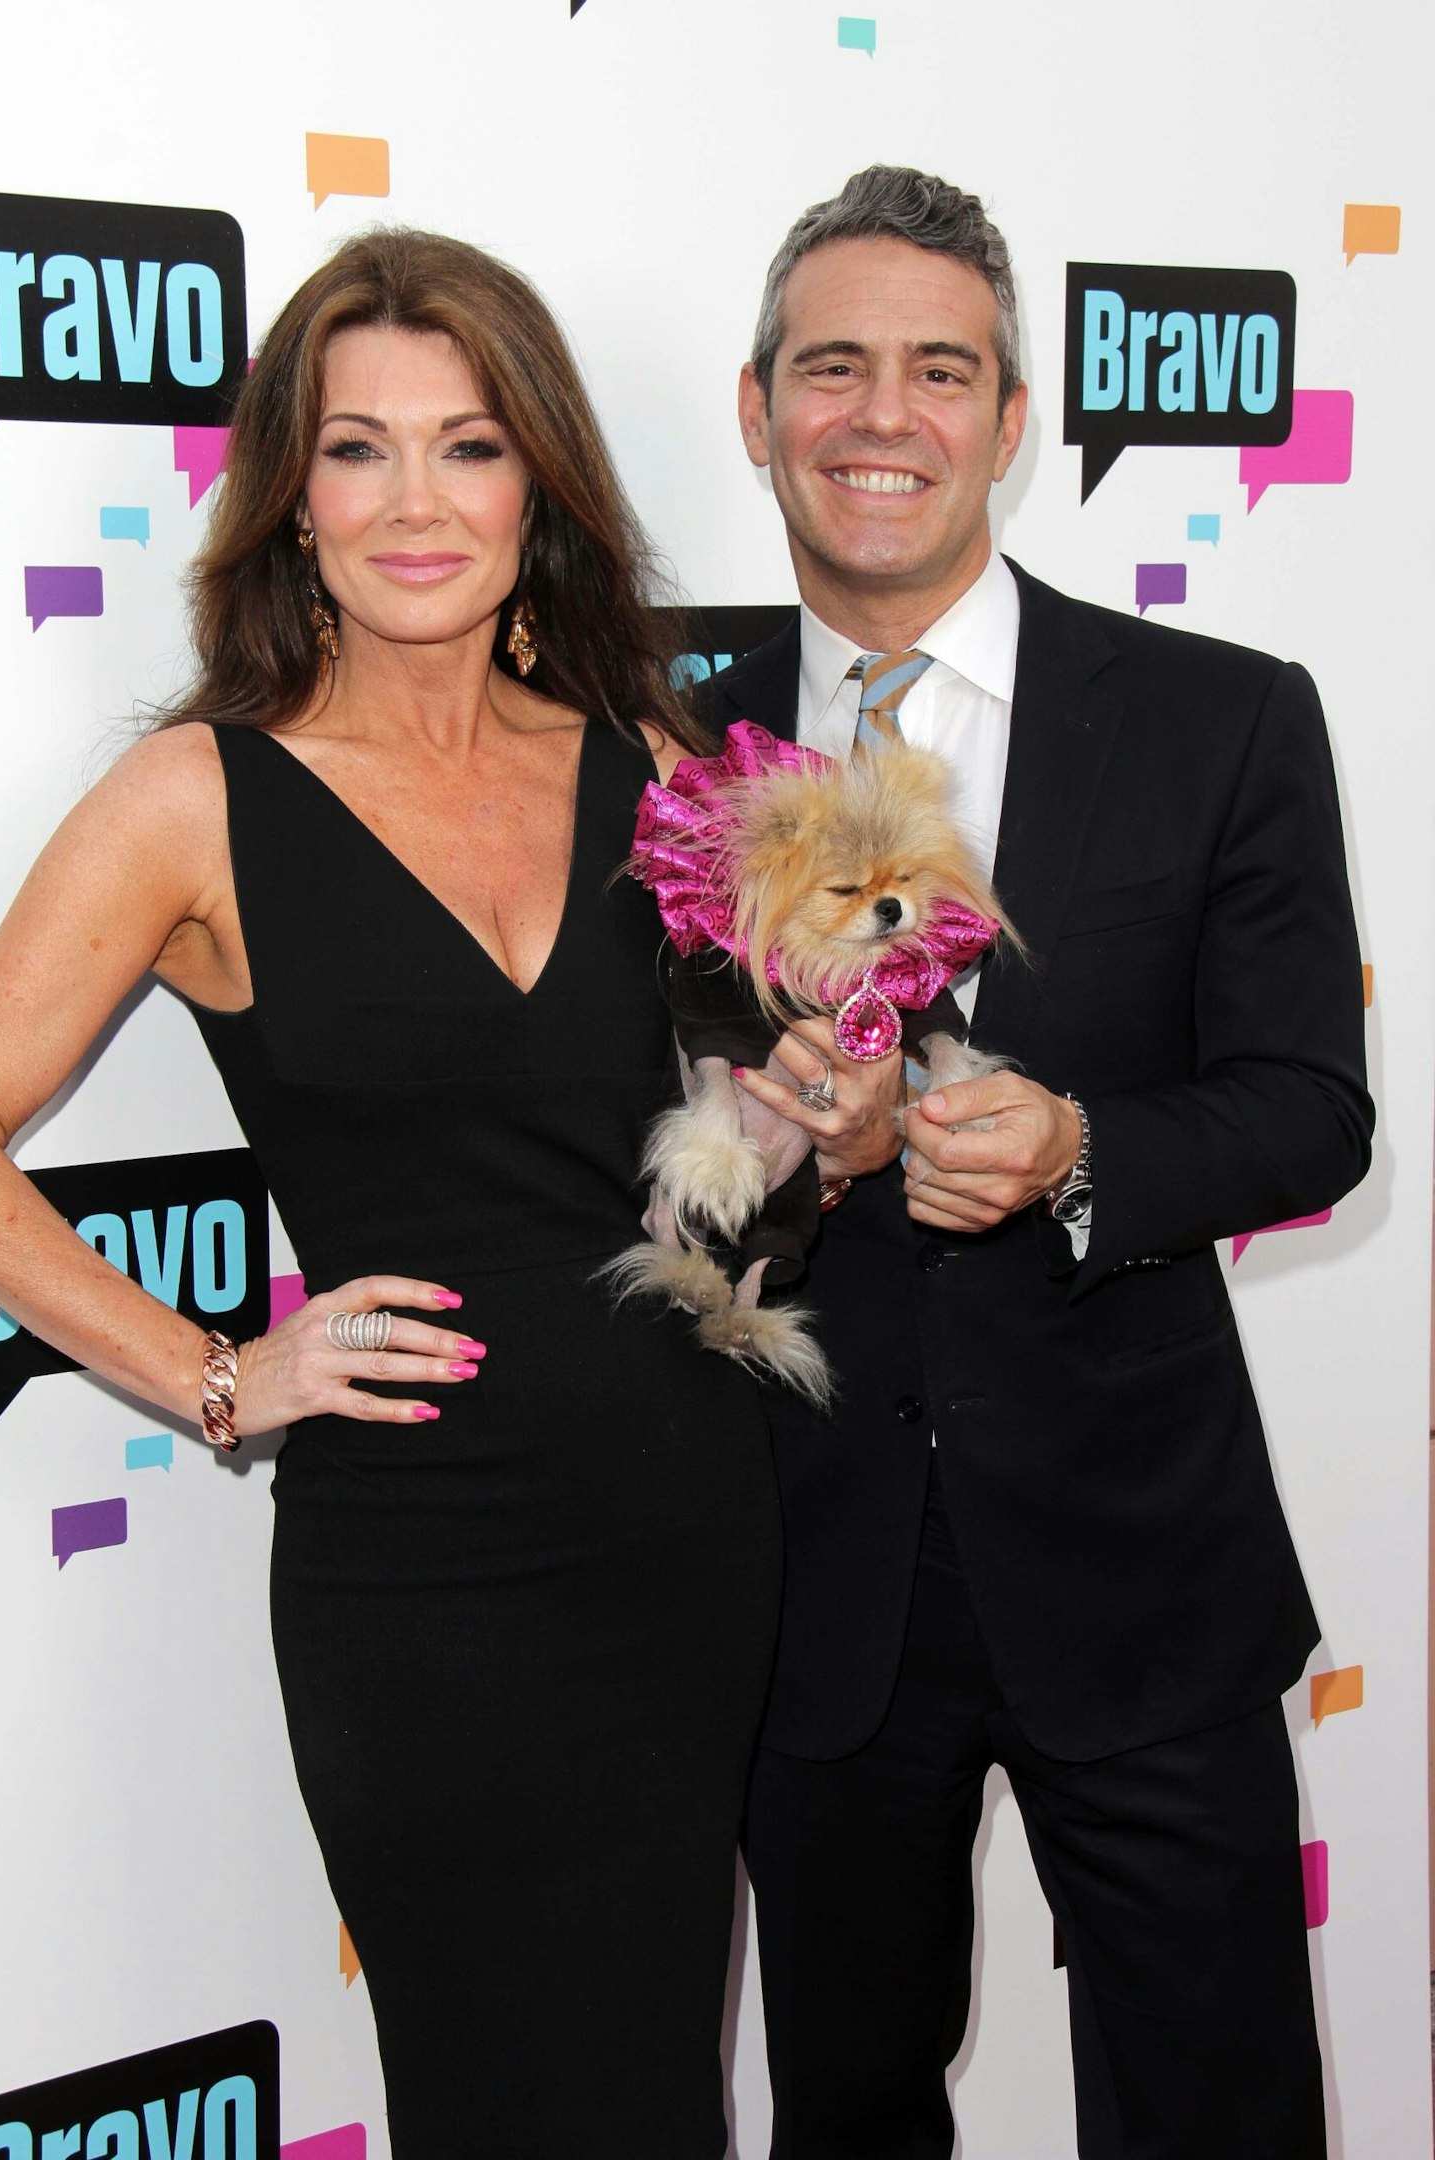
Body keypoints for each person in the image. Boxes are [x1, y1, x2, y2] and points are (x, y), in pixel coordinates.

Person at [0, 229, 785, 2158]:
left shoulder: (658, 761)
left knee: (661, 2090)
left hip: (692, 1537)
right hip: (427, 1582)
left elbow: (740, 1169)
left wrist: (805, 1121)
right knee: (494, 2097)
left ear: (543, 486)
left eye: (473, 446)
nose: (419, 503)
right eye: (360, 451)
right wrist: (212, 1375)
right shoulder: (199, 793)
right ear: (291, 495)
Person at [698, 167, 1374, 2159]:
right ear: (757, 411)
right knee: (845, 2109)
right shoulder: (653, 732)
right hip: (808, 1585)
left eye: (940, 371)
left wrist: (1082, 1148)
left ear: (1016, 416)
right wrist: (769, 1163)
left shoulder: (1221, 719)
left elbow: (1310, 1112)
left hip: (1144, 1574)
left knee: (1217, 2107)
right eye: (832, 369)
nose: (881, 418)